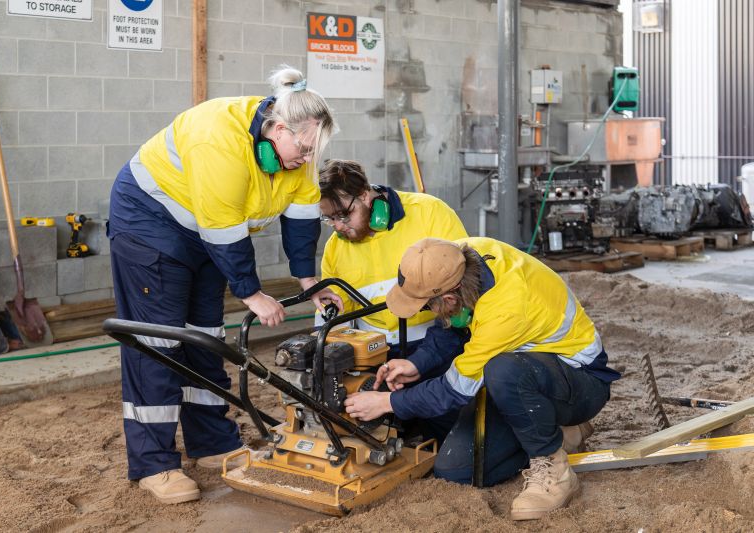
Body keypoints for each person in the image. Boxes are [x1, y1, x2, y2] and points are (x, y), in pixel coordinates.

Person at [108, 65, 343, 504]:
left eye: (315, 151)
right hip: (150, 226)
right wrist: (252, 294)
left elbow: (302, 220)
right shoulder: (218, 139)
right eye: (304, 148)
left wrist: (309, 282)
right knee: (157, 342)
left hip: (206, 235)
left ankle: (211, 441)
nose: (307, 159)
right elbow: (222, 228)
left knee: (206, 336)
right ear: (276, 127)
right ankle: (154, 464)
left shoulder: (296, 154)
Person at [344, 237, 620, 520]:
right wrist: (416, 363)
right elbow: (452, 323)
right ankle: (561, 432)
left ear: (449, 297)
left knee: (500, 374)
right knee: (454, 468)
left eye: (426, 306)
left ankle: (556, 470)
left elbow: (454, 390)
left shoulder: (506, 308)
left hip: (579, 380)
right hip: (529, 372)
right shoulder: (457, 257)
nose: (426, 312)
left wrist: (387, 402)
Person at [317, 160, 468, 442]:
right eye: (329, 219)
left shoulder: (429, 213)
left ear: (364, 194)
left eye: (343, 215)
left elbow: (462, 298)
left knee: (453, 443)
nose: (338, 227)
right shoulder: (335, 248)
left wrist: (425, 360)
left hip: (438, 349)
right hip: (375, 362)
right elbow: (337, 317)